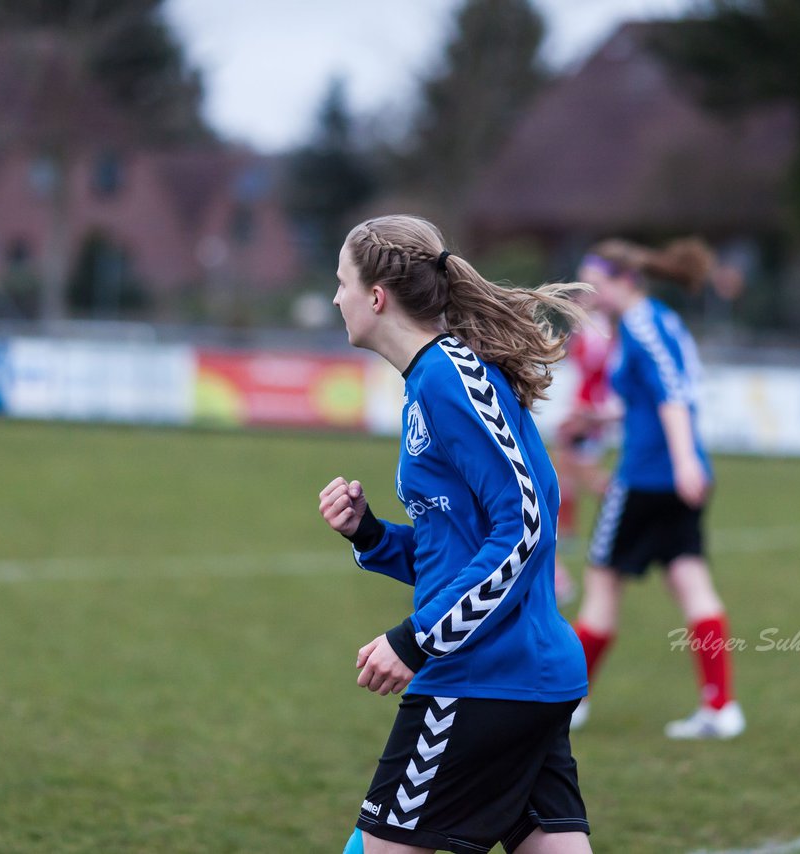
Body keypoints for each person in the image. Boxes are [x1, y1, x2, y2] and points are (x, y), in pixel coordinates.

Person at [318, 215, 593, 854]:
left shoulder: (448, 380)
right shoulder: (433, 379)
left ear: (377, 296)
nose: (336, 298)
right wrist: (371, 535)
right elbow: (466, 547)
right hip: (522, 677)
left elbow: (525, 524)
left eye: (341, 283)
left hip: (479, 680)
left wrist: (417, 640)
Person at [568, 237, 745, 740]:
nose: (588, 291)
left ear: (621, 280)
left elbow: (674, 396)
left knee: (602, 586)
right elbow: (653, 398)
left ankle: (566, 703)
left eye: (594, 282)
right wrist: (606, 413)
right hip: (670, 475)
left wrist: (686, 459)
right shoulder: (656, 320)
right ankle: (720, 707)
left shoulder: (643, 326)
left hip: (648, 478)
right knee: (691, 583)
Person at [551, 292, 617, 604]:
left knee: (585, 475)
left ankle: (624, 508)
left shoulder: (596, 330)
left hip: (589, 412)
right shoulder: (588, 331)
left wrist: (584, 415)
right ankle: (568, 532)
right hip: (583, 409)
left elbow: (598, 373)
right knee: (565, 472)